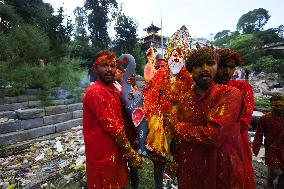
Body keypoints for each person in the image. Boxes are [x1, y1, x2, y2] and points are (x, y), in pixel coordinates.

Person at [167, 47, 248, 188]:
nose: (205, 69)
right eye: (198, 65)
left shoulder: (230, 94)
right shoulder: (185, 99)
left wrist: (177, 125)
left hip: (219, 168)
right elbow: (178, 139)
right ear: (191, 70)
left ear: (216, 67)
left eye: (210, 64)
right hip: (190, 169)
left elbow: (213, 135)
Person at [82, 50, 142, 189]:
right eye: (104, 65)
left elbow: (135, 104)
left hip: (116, 155)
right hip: (103, 158)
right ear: (95, 68)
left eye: (112, 65)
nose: (109, 69)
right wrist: (131, 153)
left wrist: (131, 85)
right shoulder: (96, 92)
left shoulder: (114, 91)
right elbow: (114, 127)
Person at [143, 25, 192, 189]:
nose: (176, 58)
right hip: (161, 122)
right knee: (159, 161)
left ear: (185, 57)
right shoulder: (159, 74)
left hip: (182, 124)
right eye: (174, 54)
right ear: (169, 54)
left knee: (181, 159)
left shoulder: (189, 79)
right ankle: (158, 186)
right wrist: (155, 116)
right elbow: (151, 96)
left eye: (180, 55)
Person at [215, 49, 255, 189]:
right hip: (211, 148)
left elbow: (244, 122)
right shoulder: (205, 87)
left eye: (231, 67)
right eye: (222, 66)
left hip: (236, 146)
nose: (226, 71)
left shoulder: (243, 88)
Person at [252, 94, 284, 189]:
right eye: (275, 106)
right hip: (272, 151)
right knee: (274, 173)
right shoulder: (265, 118)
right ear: (271, 106)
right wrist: (255, 149)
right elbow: (259, 134)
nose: (278, 108)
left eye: (281, 105)